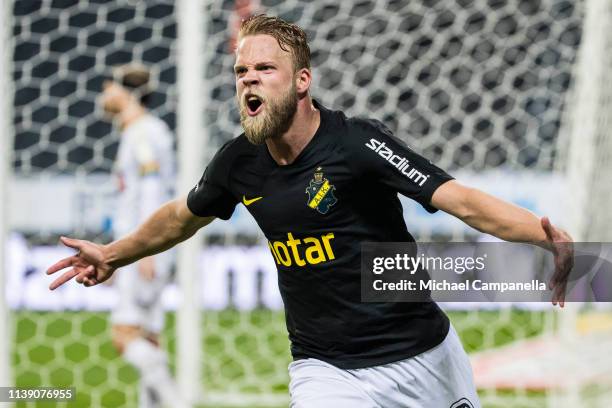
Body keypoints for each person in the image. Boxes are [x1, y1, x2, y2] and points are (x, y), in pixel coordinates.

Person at [47, 15, 573, 408]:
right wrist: (113, 254)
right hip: (327, 372)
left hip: (424, 357)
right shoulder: (238, 162)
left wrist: (542, 236)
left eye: (264, 69)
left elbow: (457, 199)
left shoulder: (357, 144)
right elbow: (181, 216)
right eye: (241, 71)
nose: (248, 80)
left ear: (302, 81)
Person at [99, 63, 183, 408]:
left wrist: (145, 251)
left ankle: (178, 403)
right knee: (149, 339)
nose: (104, 95)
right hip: (141, 248)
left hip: (144, 249)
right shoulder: (139, 132)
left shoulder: (145, 133)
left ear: (125, 92)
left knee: (124, 336)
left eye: (109, 88)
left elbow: (151, 190)